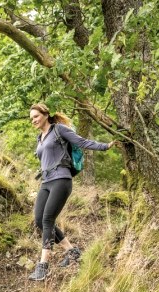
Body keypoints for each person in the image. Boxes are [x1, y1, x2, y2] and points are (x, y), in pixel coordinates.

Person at [28, 103, 117, 281]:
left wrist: (105, 146)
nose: (33, 121)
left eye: (36, 117)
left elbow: (82, 142)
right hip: (46, 182)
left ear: (45, 114)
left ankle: (43, 265)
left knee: (47, 219)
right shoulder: (40, 137)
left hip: (61, 179)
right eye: (31, 119)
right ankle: (72, 251)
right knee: (39, 220)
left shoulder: (59, 129)